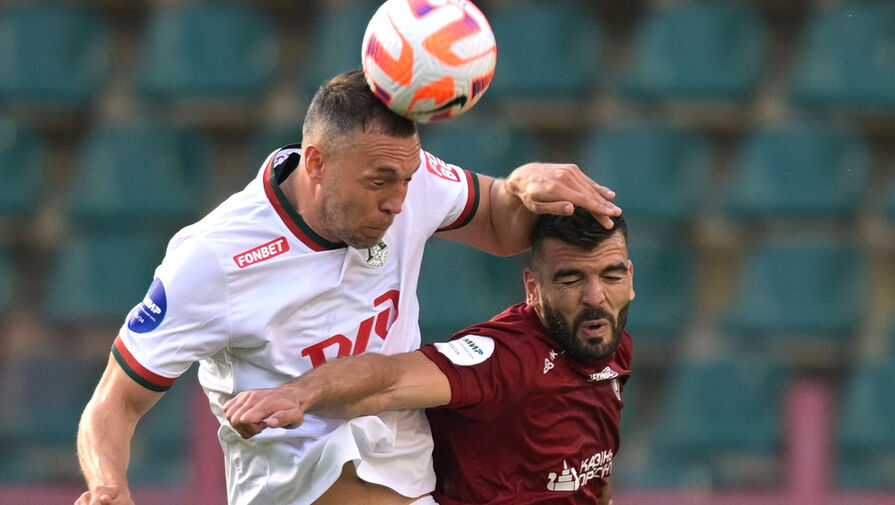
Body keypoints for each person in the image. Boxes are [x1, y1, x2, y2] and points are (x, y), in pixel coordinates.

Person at [76, 70, 621, 505]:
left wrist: (522, 182)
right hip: (298, 485)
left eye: (406, 181)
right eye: (379, 182)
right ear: (316, 163)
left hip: (412, 471)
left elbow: (504, 223)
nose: (398, 202)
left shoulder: (412, 178)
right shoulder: (213, 257)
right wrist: (108, 486)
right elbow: (115, 402)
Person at [226, 209, 633, 505]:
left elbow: (592, 465)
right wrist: (300, 394)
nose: (595, 298)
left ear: (629, 279)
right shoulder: (504, 357)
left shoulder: (612, 345)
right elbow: (390, 378)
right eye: (570, 279)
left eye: (611, 276)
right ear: (532, 287)